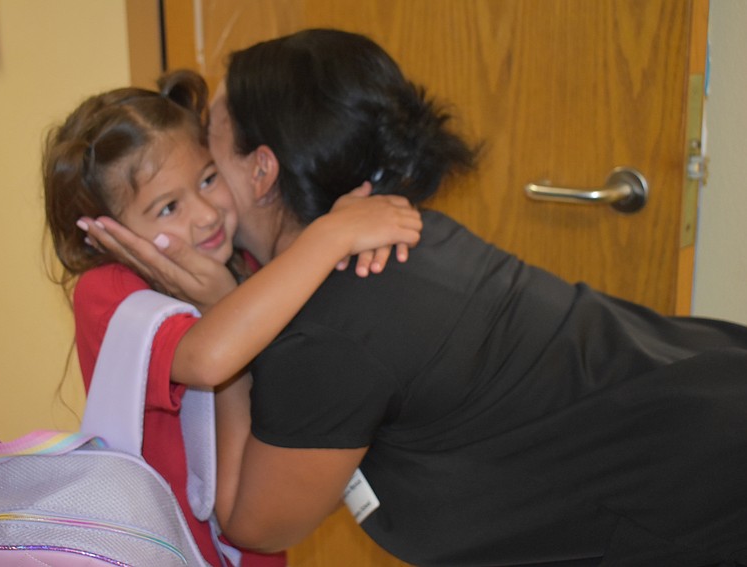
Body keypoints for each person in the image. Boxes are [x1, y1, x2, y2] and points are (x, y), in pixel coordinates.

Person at [84, 30, 747, 567]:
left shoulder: (329, 328)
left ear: (261, 170)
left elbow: (253, 521)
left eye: (210, 152)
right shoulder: (395, 229)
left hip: (701, 493)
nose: (201, 194)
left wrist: (228, 324)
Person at [42, 68, 422, 567]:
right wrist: (331, 236)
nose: (205, 214)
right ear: (106, 235)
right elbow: (207, 358)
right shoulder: (108, 291)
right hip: (162, 550)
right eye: (167, 208)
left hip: (249, 546)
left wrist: (356, 238)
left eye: (207, 178)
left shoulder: (241, 261)